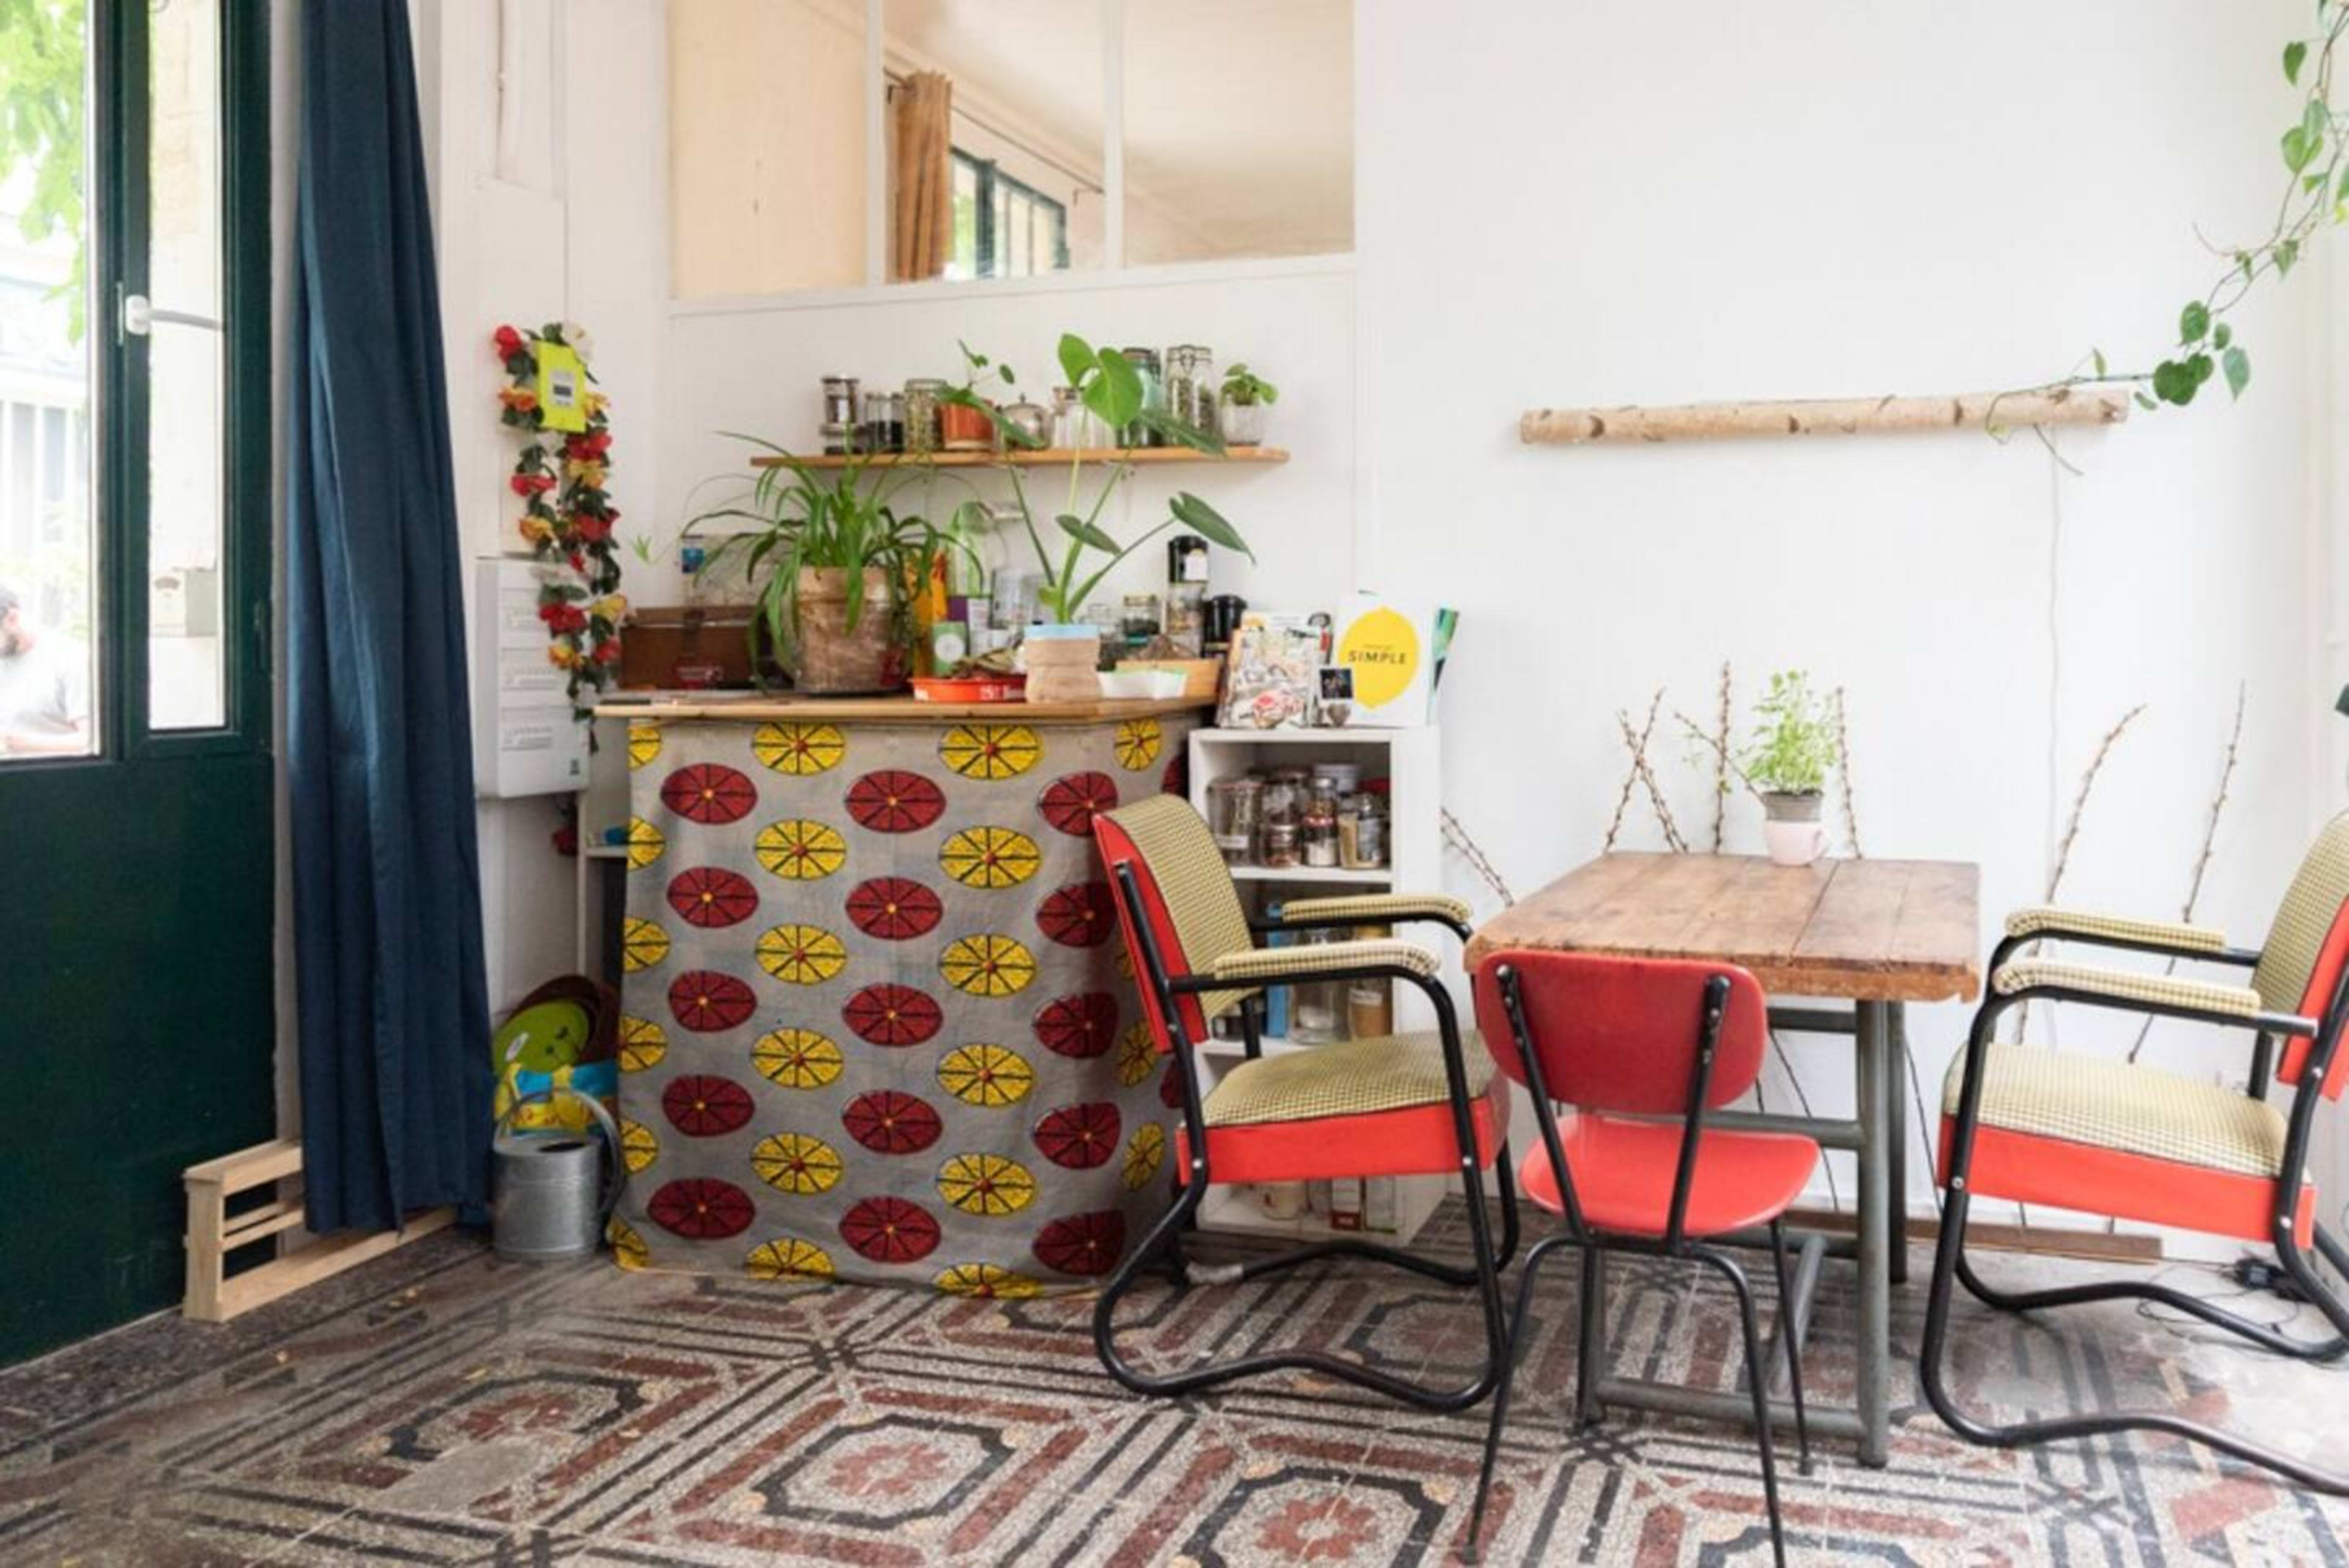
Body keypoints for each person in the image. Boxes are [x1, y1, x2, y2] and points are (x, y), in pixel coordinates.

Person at [0, 582, 91, 754]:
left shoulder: (70, 659)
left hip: (54, 768)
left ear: (12, 619)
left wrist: (21, 743)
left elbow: (92, 739)